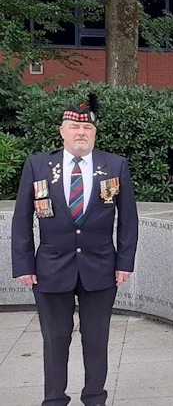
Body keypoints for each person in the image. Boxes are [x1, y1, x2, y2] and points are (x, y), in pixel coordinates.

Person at [11, 96, 139, 406]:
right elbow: (22, 218)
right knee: (55, 339)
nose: (80, 132)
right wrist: (24, 264)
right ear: (62, 131)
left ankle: (94, 397)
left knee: (96, 339)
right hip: (51, 268)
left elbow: (128, 219)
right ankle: (54, 399)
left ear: (94, 133)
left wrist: (124, 262)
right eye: (73, 127)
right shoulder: (39, 165)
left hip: (101, 267)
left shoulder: (114, 165)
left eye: (86, 128)